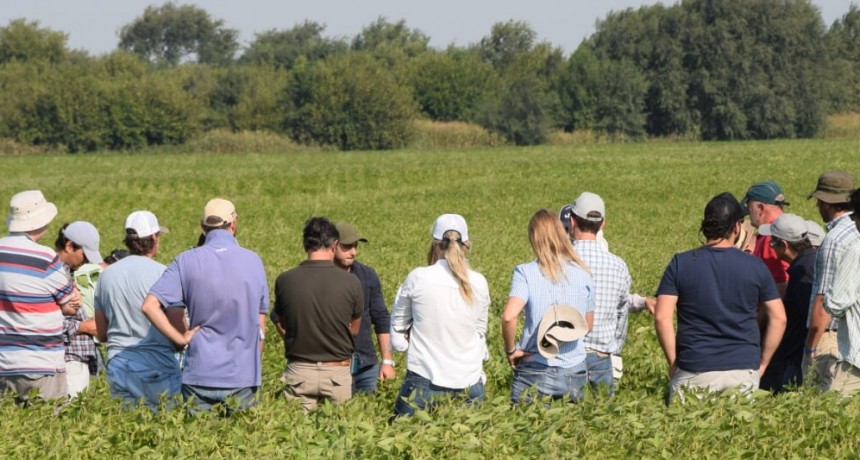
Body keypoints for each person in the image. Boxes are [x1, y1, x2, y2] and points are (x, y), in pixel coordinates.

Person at [655, 192, 786, 403]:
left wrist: (673, 362)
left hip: (694, 367)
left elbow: (662, 317)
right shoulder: (755, 266)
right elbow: (779, 318)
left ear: (704, 226)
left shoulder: (681, 263)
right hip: (743, 368)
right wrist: (762, 363)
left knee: (689, 434)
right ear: (736, 227)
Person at [142, 198, 269, 414]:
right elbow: (261, 325)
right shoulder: (253, 261)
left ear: (203, 226)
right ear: (233, 224)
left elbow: (149, 306)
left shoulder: (185, 260)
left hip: (199, 373)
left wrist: (180, 338)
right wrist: (252, 365)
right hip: (241, 375)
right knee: (243, 444)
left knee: (198, 442)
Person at [391, 214, 490, 417]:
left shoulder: (418, 277)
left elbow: (397, 332)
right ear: (466, 244)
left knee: (398, 438)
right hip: (469, 381)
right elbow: (480, 331)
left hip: (423, 380)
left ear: (434, 245)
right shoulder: (479, 282)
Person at [502, 209, 595, 404]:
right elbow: (587, 325)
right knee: (573, 431)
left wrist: (511, 351)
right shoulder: (584, 274)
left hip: (534, 366)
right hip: (574, 368)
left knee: (526, 430)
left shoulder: (525, 272)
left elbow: (509, 317)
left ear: (534, 238)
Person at [271, 217, 363, 411]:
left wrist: (293, 336)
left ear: (305, 245)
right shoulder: (351, 282)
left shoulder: (285, 280)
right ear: (334, 245)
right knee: (344, 436)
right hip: (337, 372)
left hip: (299, 371)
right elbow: (354, 329)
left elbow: (278, 320)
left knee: (295, 435)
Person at [94, 210, 183, 409]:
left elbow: (101, 334)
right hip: (157, 365)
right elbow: (178, 328)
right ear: (153, 238)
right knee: (166, 428)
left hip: (119, 365)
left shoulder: (106, 276)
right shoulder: (163, 274)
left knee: (126, 429)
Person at [0, 191, 77, 402]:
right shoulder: (44, 257)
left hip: (4, 362)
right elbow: (70, 302)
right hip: (41, 362)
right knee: (48, 427)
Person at [566, 193, 630, 396]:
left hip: (565, 357)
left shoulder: (559, 262)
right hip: (602, 358)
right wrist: (614, 348)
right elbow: (622, 315)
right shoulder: (618, 265)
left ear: (572, 220)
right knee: (601, 417)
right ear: (602, 224)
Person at [803, 171, 856, 390]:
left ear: (827, 203)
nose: (818, 207)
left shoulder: (834, 240)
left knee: (821, 405)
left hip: (830, 336)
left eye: (819, 202)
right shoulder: (855, 230)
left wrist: (810, 347)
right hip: (853, 333)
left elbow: (823, 299)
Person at [757, 214, 818, 392]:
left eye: (772, 243)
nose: (771, 248)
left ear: (783, 245)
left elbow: (811, 316)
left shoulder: (802, 271)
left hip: (797, 357)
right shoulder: (809, 260)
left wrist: (809, 351)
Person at [333, 222, 395, 394]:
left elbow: (381, 318)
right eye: (347, 247)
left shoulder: (367, 275)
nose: (353, 252)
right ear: (332, 246)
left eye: (355, 246)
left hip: (366, 364)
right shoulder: (321, 277)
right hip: (333, 366)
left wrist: (387, 362)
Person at [54, 221, 103, 397]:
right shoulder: (54, 275)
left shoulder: (67, 274)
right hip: (66, 361)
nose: (87, 260)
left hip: (75, 361)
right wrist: (84, 327)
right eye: (84, 253)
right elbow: (42, 321)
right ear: (69, 246)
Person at [821, 189, 860, 396]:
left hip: (856, 359)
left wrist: (826, 300)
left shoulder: (855, 251)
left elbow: (837, 303)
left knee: (833, 413)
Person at [741, 181, 790, 296]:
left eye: (749, 206)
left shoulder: (770, 238)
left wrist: (761, 313)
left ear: (760, 208)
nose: (748, 212)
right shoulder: (790, 228)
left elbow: (780, 285)